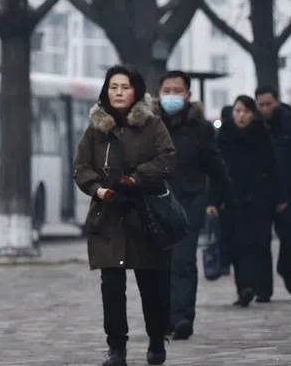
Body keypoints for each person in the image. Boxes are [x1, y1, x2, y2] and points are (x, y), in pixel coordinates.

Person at [73, 65, 177, 366]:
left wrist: (134, 180)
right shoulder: (96, 129)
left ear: (136, 91)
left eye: (125, 87)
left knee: (152, 286)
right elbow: (81, 167)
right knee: (112, 287)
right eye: (113, 87)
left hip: (145, 216)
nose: (118, 93)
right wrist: (97, 189)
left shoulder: (152, 125)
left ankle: (157, 339)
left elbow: (167, 160)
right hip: (108, 217)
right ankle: (116, 349)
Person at [155, 71, 231, 341]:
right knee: (159, 265)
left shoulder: (200, 128)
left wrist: (220, 198)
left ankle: (182, 317)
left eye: (177, 91)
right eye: (167, 90)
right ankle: (162, 320)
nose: (172, 96)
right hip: (156, 204)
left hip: (190, 201)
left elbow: (215, 165)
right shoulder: (150, 125)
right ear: (159, 92)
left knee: (183, 261)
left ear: (188, 95)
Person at [216, 97, 286, 307]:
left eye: (246, 111)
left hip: (260, 198)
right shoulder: (224, 136)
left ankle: (264, 288)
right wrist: (213, 200)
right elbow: (215, 170)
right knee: (237, 245)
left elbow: (273, 166)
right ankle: (244, 288)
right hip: (232, 199)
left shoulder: (261, 134)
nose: (241, 115)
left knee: (260, 244)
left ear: (252, 114)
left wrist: (280, 197)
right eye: (237, 111)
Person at [255, 85, 291, 297]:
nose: (265, 109)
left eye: (268, 104)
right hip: (261, 191)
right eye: (261, 105)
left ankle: (287, 272)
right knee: (260, 241)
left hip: (288, 190)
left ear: (277, 102)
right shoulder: (254, 123)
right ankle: (263, 289)